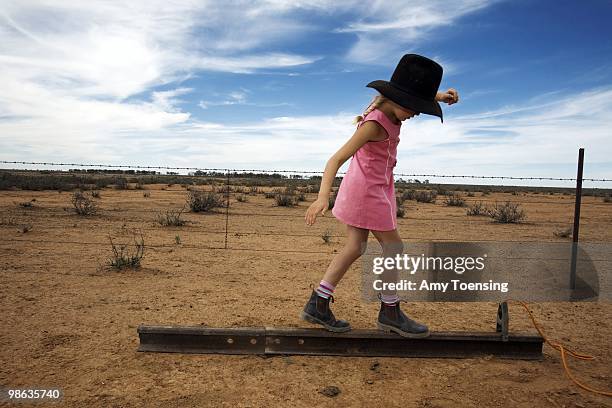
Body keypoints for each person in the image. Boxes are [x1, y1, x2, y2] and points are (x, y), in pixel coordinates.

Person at [301, 54, 459, 338]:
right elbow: (335, 160)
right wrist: (322, 197)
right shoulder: (374, 124)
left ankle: (318, 303)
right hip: (367, 192)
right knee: (394, 248)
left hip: (373, 187)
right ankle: (389, 311)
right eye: (415, 107)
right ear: (398, 100)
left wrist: (441, 96)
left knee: (356, 247)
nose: (416, 113)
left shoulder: (389, 107)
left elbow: (411, 96)